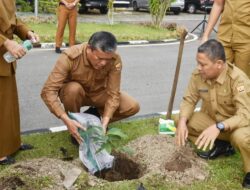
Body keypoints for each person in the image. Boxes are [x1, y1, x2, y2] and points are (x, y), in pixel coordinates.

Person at [175, 39, 250, 188]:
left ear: (219, 64)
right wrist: (182, 123)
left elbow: (245, 115)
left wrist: (219, 127)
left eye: (203, 64)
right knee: (180, 119)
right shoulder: (198, 75)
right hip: (216, 123)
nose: (199, 68)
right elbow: (189, 100)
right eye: (198, 63)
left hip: (240, 126)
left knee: (240, 138)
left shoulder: (238, 79)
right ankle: (222, 144)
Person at [41, 31, 140, 144]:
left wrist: (105, 121)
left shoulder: (114, 60)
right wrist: (66, 119)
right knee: (73, 89)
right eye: (99, 58)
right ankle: (77, 125)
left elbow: (113, 94)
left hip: (99, 93)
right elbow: (48, 91)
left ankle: (96, 116)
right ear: (89, 48)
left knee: (132, 106)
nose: (103, 63)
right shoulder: (70, 56)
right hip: (75, 95)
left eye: (107, 59)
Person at [0, 0, 40, 165]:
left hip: (6, 57)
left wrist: (28, 33)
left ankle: (13, 144)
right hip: (4, 48)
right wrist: (6, 42)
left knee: (9, 106)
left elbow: (14, 21)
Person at [201, 0, 250, 78]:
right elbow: (218, 4)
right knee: (217, 75)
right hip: (224, 36)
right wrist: (206, 35)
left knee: (243, 79)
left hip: (246, 39)